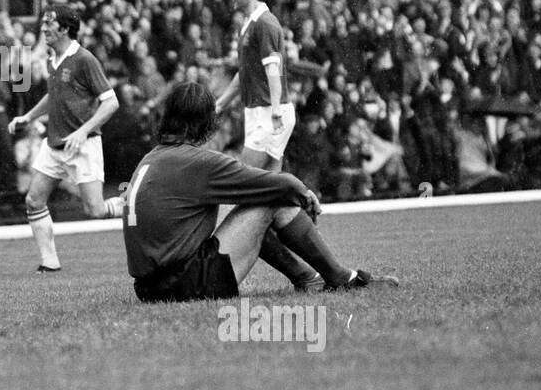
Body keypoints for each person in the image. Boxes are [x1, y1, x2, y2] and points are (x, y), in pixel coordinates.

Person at [123, 81, 399, 301]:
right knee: (269, 200)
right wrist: (304, 191)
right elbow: (280, 185)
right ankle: (340, 277)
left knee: (255, 207)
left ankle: (308, 278)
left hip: (149, 288)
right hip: (183, 284)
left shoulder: (151, 159)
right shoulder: (194, 161)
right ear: (205, 122)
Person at [213, 0, 325, 292]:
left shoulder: (266, 24)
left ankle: (303, 199)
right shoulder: (249, 25)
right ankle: (307, 269)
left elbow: (274, 68)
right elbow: (244, 74)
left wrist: (275, 108)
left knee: (244, 189)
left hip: (268, 115)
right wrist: (220, 105)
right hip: (258, 114)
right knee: (267, 197)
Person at [7, 5, 124, 273]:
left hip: (84, 145)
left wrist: (83, 131)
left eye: (49, 24)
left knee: (94, 209)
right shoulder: (52, 59)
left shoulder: (84, 59)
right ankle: (49, 262)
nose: (43, 29)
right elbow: (54, 95)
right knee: (34, 200)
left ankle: (130, 204)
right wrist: (29, 116)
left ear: (65, 28)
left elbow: (111, 103)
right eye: (43, 24)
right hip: (54, 145)